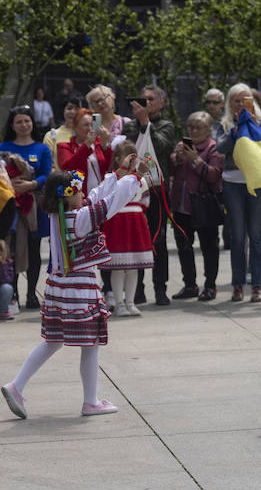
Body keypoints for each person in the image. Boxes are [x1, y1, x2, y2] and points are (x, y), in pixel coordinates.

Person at [2, 154, 150, 420]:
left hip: (59, 287)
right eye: (78, 190)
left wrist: (118, 172)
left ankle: (16, 386)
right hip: (79, 288)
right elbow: (109, 203)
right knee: (91, 342)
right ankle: (90, 401)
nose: (84, 193)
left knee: (52, 341)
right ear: (68, 195)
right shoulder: (79, 218)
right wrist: (135, 177)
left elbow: (97, 195)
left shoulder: (62, 215)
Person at [122, 85, 177, 307]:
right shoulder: (129, 126)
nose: (147, 103)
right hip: (134, 189)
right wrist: (139, 124)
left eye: (151, 99)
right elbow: (126, 150)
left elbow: (163, 147)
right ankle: (138, 289)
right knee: (136, 239)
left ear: (161, 102)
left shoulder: (166, 125)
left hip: (156, 189)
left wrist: (147, 124)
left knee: (158, 239)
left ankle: (160, 288)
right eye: (143, 99)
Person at [217, 85, 261, 303]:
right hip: (233, 183)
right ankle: (238, 284)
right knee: (237, 236)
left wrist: (253, 124)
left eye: (244, 100)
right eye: (236, 100)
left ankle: (257, 285)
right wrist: (236, 131)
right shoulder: (224, 124)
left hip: (256, 182)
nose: (240, 104)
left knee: (256, 235)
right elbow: (220, 148)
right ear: (230, 103)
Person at [169, 111, 224, 302]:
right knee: (184, 247)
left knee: (209, 247)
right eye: (190, 127)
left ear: (209, 129)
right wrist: (176, 160)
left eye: (198, 127)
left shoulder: (213, 148)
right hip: (181, 206)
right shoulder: (181, 146)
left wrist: (195, 160)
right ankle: (190, 284)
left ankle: (210, 285)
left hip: (203, 206)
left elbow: (214, 175)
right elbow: (172, 169)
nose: (193, 131)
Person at [0, 107, 52, 310]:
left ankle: (31, 294)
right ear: (12, 125)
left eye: (27, 121)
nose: (23, 125)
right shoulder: (3, 146)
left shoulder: (41, 148)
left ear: (33, 123)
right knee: (9, 248)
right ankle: (12, 293)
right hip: (8, 205)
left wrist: (33, 184)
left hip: (33, 205)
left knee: (33, 249)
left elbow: (47, 173)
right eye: (19, 122)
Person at [100, 141, 155, 317]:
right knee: (118, 266)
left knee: (133, 266)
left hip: (135, 223)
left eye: (134, 158)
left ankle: (130, 302)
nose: (132, 162)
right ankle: (119, 303)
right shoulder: (111, 178)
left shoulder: (142, 180)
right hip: (117, 223)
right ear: (117, 159)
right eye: (128, 158)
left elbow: (145, 202)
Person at [57, 109, 112, 195]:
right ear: (75, 128)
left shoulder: (99, 144)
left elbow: (110, 168)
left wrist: (106, 145)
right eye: (86, 125)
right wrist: (86, 145)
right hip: (80, 197)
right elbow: (68, 167)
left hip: (101, 196)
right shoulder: (64, 147)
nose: (90, 129)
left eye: (92, 125)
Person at [0, 239, 13, 320]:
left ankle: (3, 311)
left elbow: (8, 280)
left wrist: (2, 266)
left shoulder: (7, 263)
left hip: (1, 289)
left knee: (7, 288)